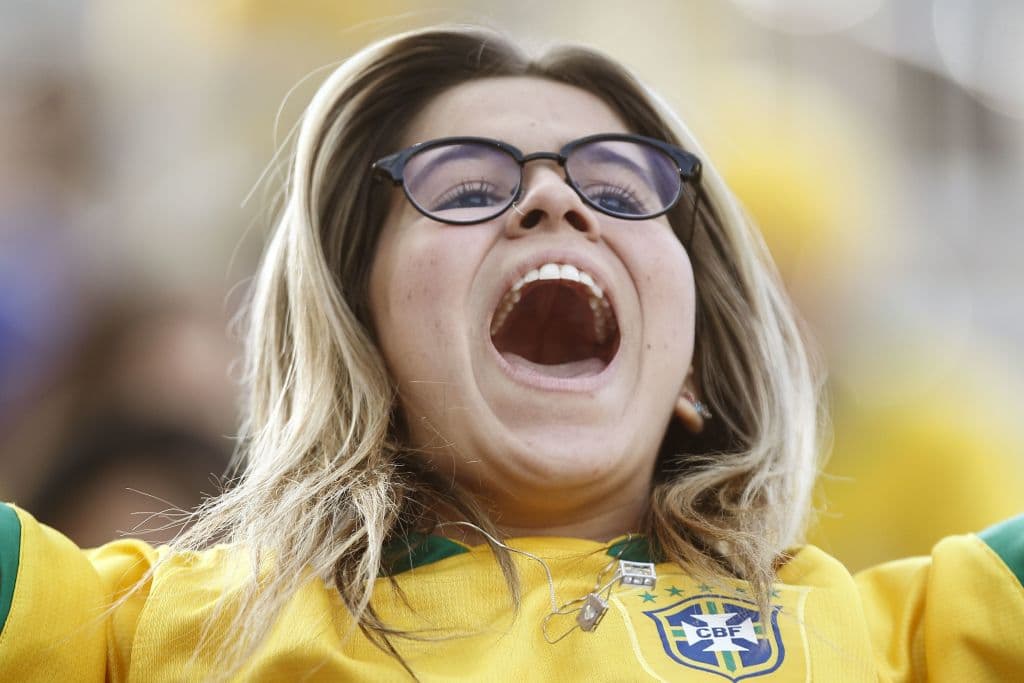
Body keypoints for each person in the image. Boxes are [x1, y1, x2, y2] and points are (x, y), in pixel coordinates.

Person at [1, 25, 1021, 682]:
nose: (555, 197)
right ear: (363, 343)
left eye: (621, 191)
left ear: (696, 368)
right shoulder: (149, 632)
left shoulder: (913, 639)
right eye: (466, 184)